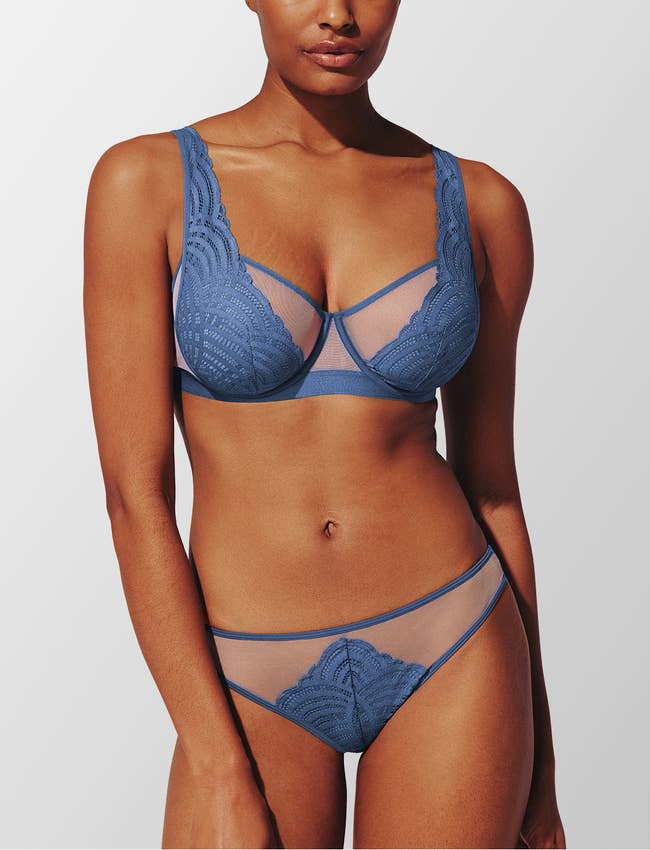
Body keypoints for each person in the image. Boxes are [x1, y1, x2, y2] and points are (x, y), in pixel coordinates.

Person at [83, 1, 565, 847]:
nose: (339, 15)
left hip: (455, 642)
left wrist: (544, 774)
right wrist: (215, 766)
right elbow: (135, 497)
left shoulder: (482, 202)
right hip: (245, 667)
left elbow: (493, 490)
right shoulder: (146, 182)